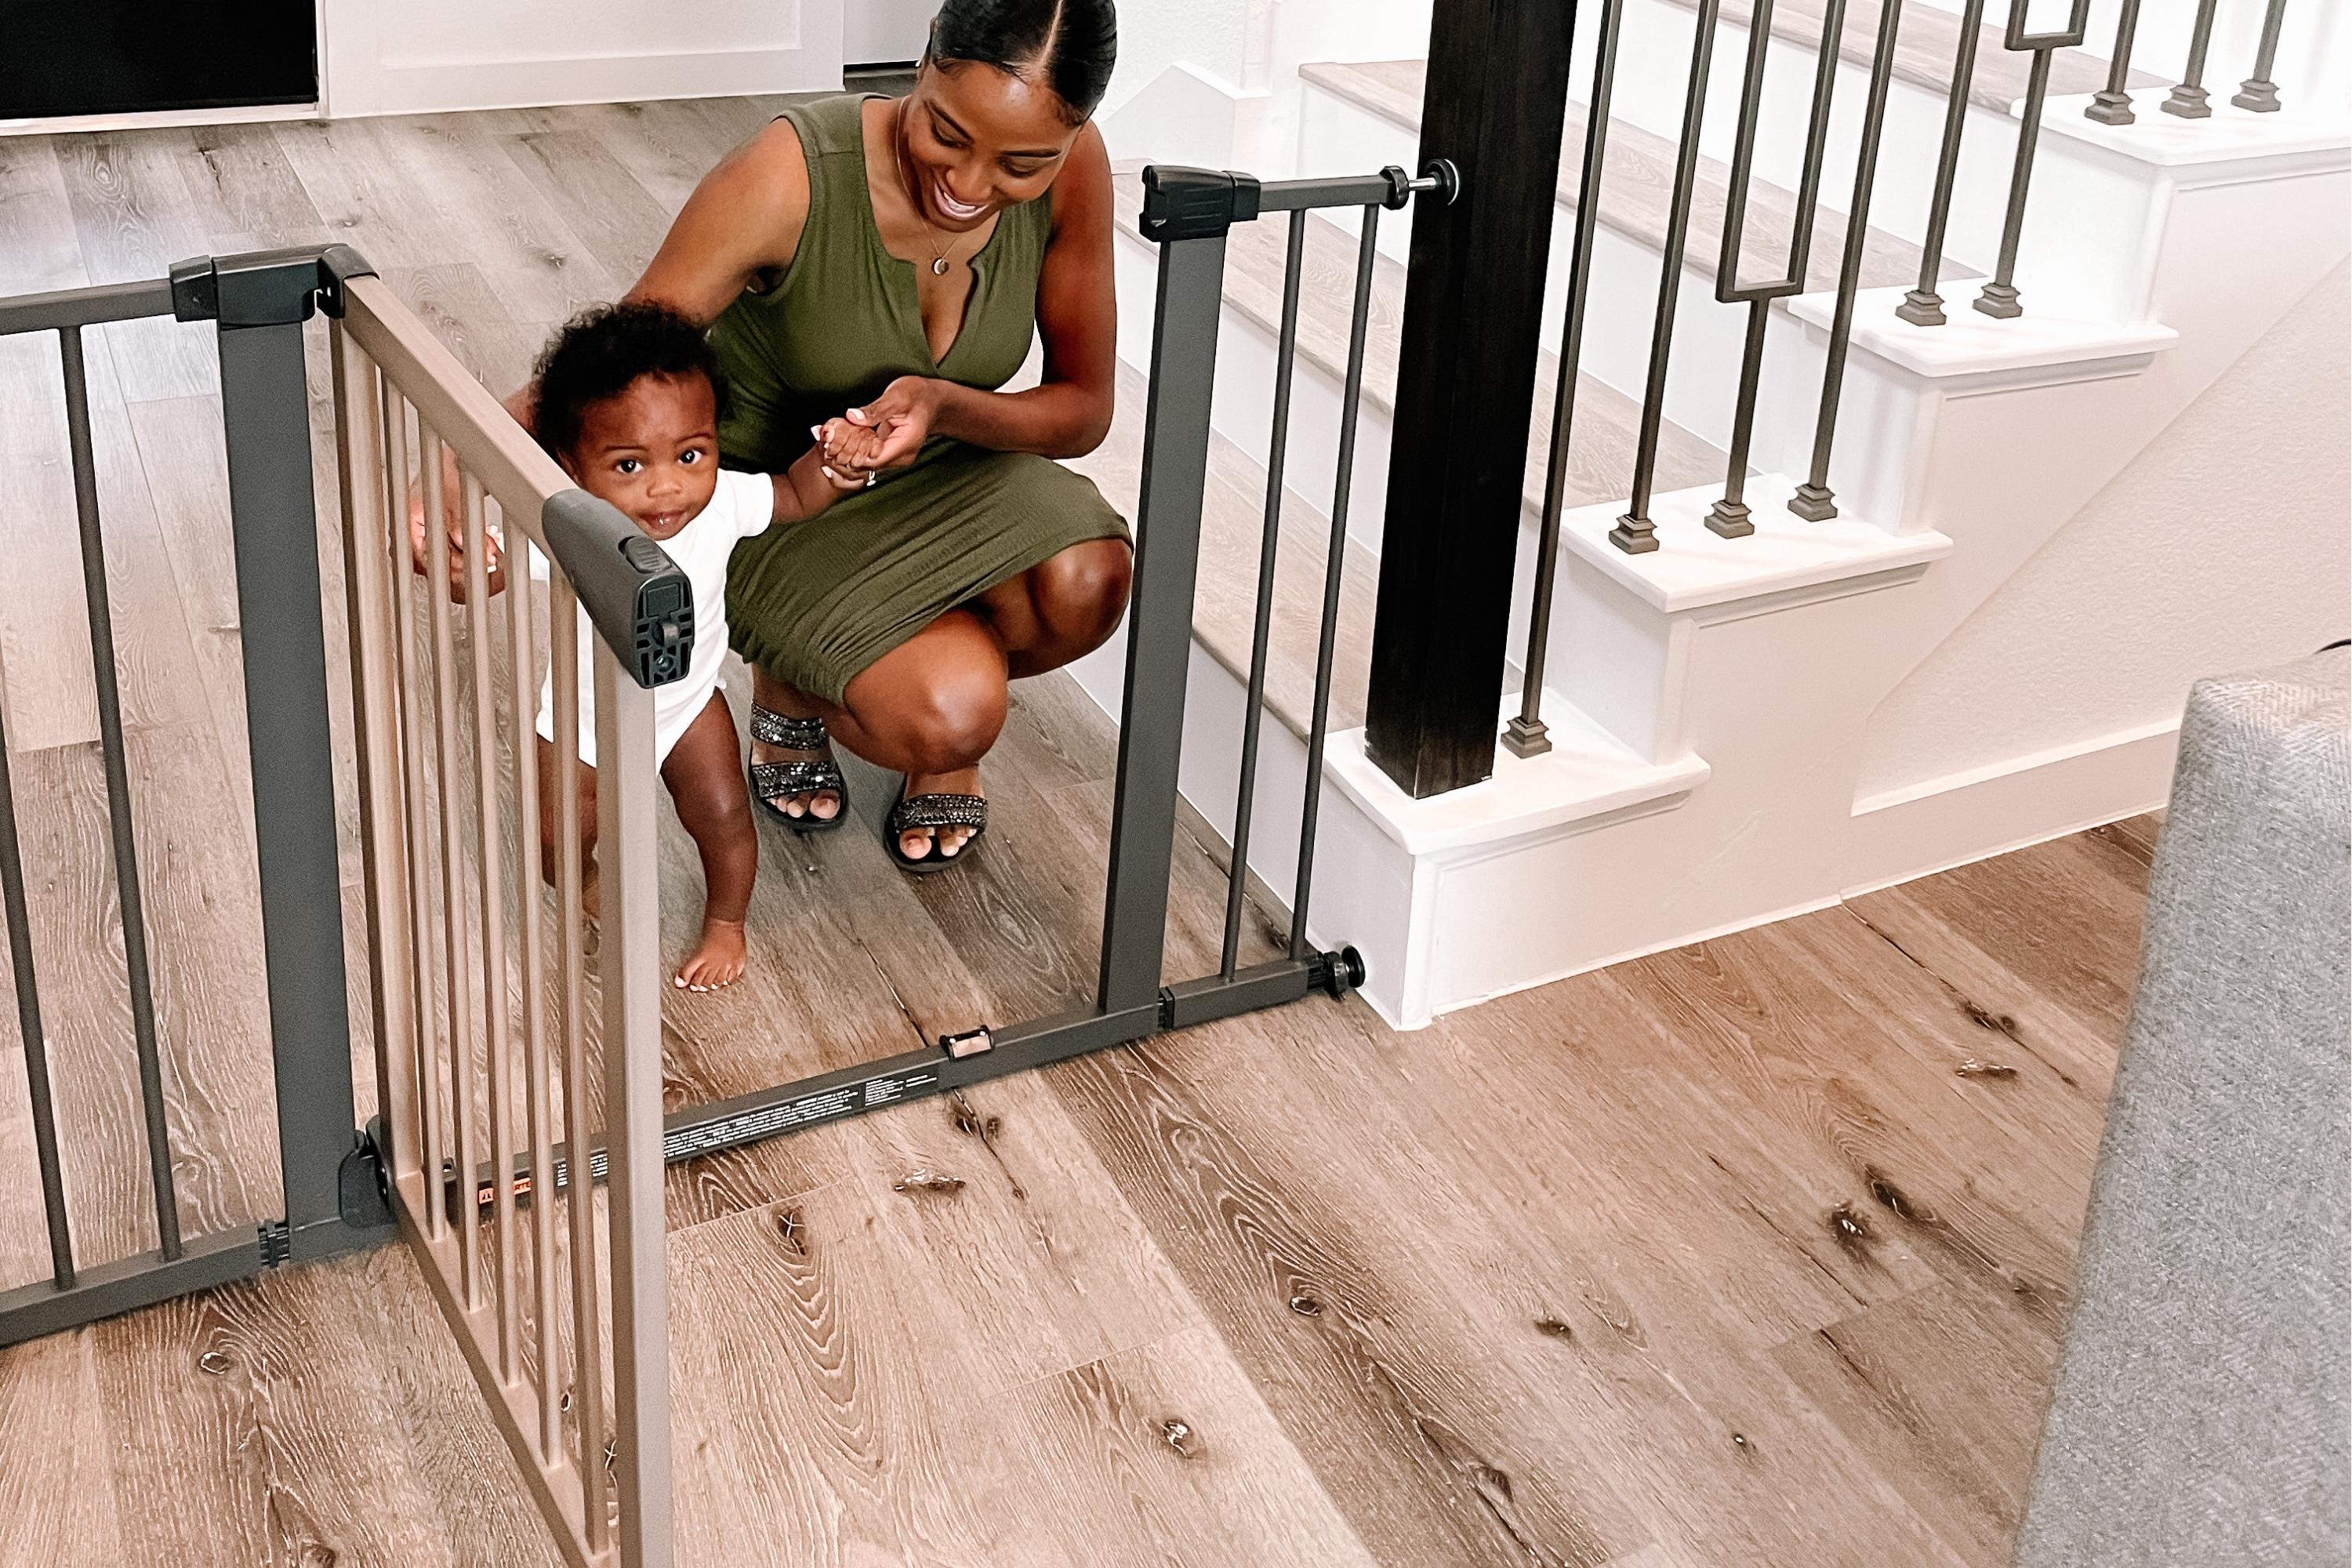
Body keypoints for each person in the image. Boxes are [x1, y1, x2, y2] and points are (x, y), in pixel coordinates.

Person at [609, 0, 1132, 873]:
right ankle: (799, 681)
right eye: (949, 133)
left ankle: (884, 661)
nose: (972, 184)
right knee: (953, 712)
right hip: (777, 499)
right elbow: (615, 359)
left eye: (1023, 163)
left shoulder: (1076, 168)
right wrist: (463, 461)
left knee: (1090, 579)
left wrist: (944, 404)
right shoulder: (789, 172)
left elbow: (1084, 408)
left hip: (951, 466)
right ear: (923, 63)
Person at [526, 303, 867, 989]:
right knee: (556, 840)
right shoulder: (569, 529)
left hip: (686, 708)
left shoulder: (721, 503)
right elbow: (489, 564)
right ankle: (585, 880)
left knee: (724, 818)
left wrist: (837, 461)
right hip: (581, 720)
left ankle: (726, 922)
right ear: (572, 465)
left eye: (691, 454)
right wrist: (450, 550)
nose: (667, 486)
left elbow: (797, 494)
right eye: (628, 464)